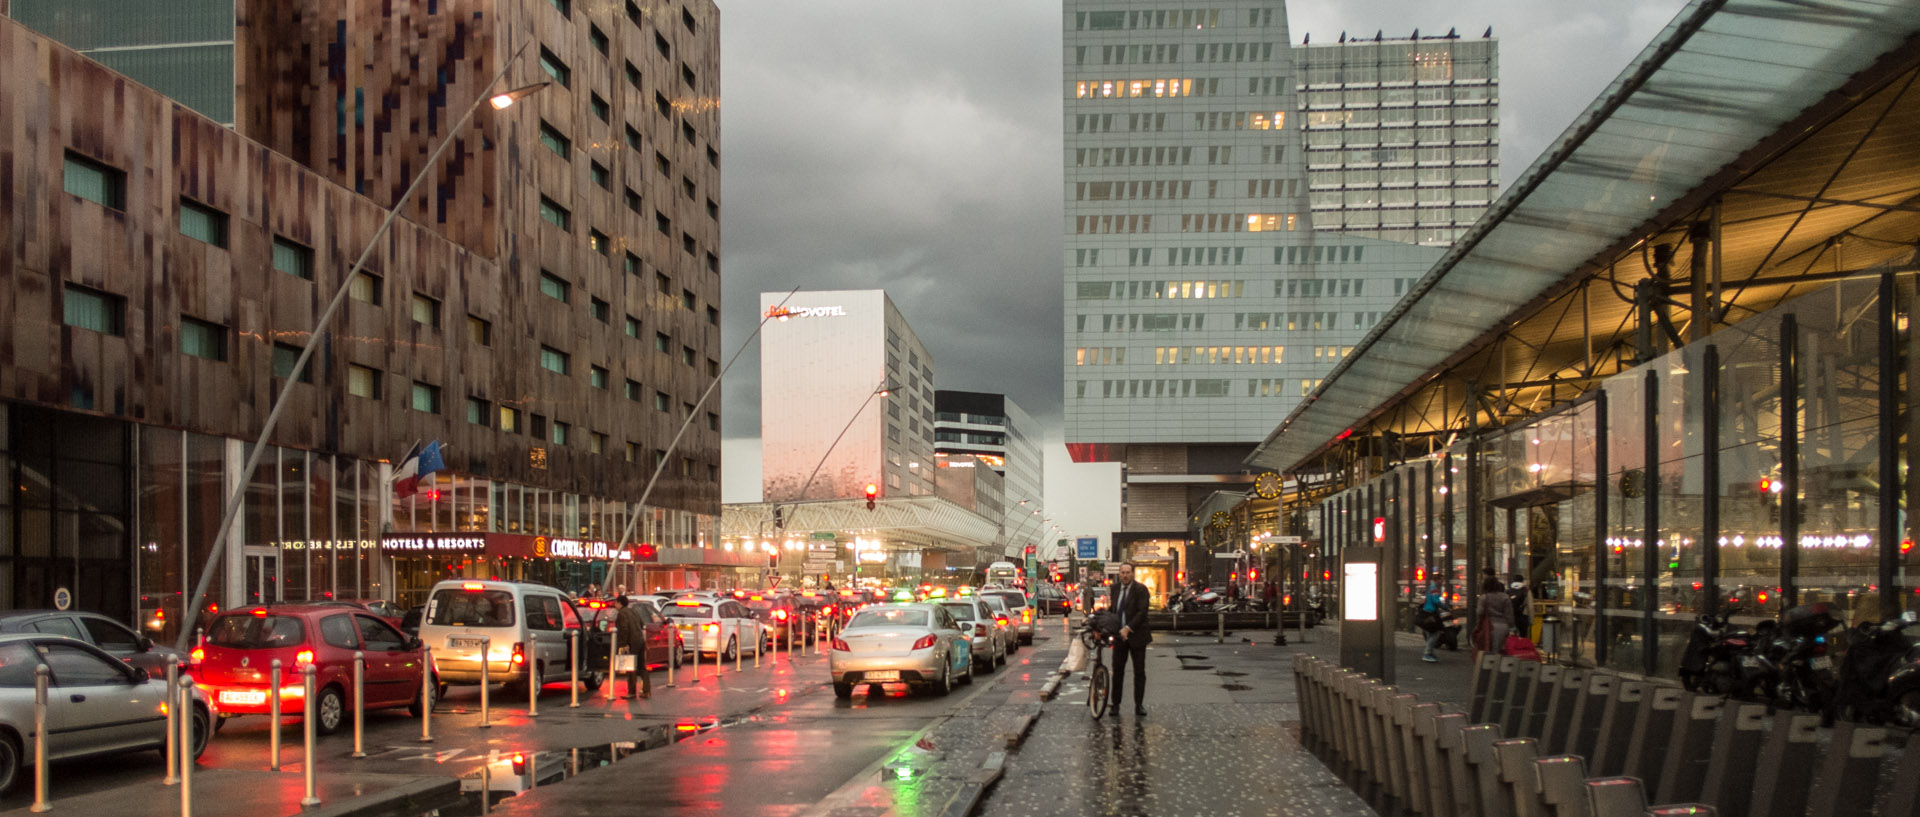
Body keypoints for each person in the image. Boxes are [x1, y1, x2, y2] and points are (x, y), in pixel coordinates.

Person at [1108, 562, 1153, 717]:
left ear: (1132, 574)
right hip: (1119, 637)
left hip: (1137, 636)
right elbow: (1113, 610)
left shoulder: (1140, 590)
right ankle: (1115, 705)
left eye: (1128, 572)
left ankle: (1139, 705)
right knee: (1117, 671)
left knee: (1139, 672)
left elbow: (1142, 612)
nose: (1125, 575)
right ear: (1119, 574)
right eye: (1123, 572)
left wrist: (1128, 628)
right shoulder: (1114, 589)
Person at [612, 596, 652, 699]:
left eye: (615, 603)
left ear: (620, 603)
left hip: (631, 642)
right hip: (640, 640)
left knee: (630, 667)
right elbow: (641, 624)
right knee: (641, 666)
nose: (614, 605)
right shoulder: (633, 611)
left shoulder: (622, 613)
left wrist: (623, 644)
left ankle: (632, 692)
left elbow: (624, 629)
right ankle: (646, 690)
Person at [1475, 577, 1513, 656]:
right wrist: (1511, 626)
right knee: (1500, 651)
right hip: (1503, 625)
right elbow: (1509, 614)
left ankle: (1488, 666)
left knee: (1487, 651)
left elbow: (1480, 612)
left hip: (1488, 626)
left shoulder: (1484, 597)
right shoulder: (1505, 597)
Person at [1417, 583, 1450, 663]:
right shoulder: (1434, 588)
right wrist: (1445, 607)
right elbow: (1436, 601)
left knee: (1430, 633)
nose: (1442, 581)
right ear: (1438, 579)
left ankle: (1430, 653)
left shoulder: (1430, 587)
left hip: (1427, 611)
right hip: (1431, 613)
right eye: (1441, 579)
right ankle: (1427, 654)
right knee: (1434, 633)